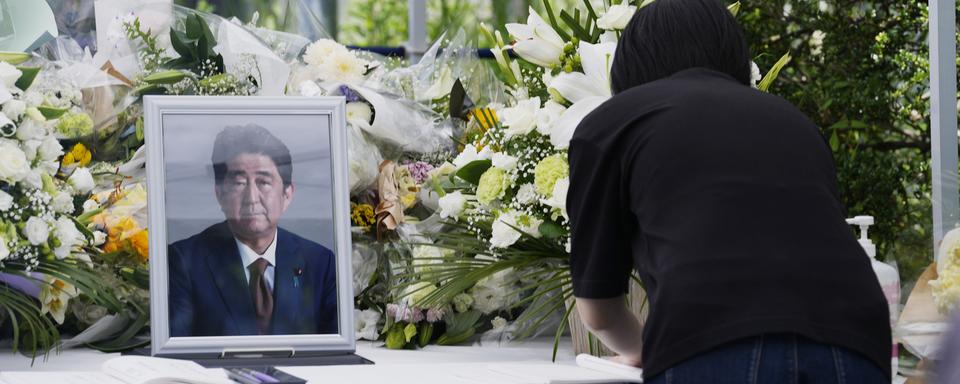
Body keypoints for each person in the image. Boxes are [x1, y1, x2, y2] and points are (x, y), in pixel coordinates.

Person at [566, 0, 891, 382]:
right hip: (857, 341)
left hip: (710, 338)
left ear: (629, 64)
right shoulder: (792, 121)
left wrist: (643, 350)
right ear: (735, 55)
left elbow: (598, 309)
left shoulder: (614, 121)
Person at [169, 124, 338, 337]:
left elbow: (334, 354)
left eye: (264, 182)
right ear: (219, 193)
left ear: (287, 194)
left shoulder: (321, 263)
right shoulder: (184, 261)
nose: (252, 198)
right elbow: (177, 356)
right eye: (239, 183)